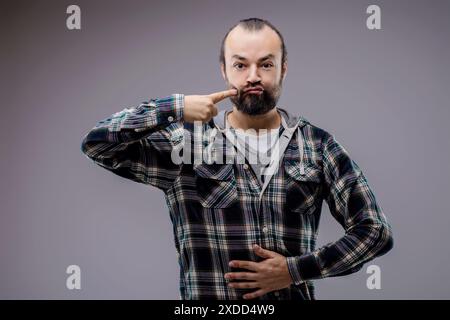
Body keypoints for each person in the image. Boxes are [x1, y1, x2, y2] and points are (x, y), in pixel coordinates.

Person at [81, 17, 393, 300]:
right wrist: (174, 107)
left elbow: (375, 232)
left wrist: (295, 270)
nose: (253, 77)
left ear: (283, 68)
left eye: (266, 65)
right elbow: (98, 143)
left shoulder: (318, 145)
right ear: (224, 70)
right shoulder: (186, 144)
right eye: (241, 65)